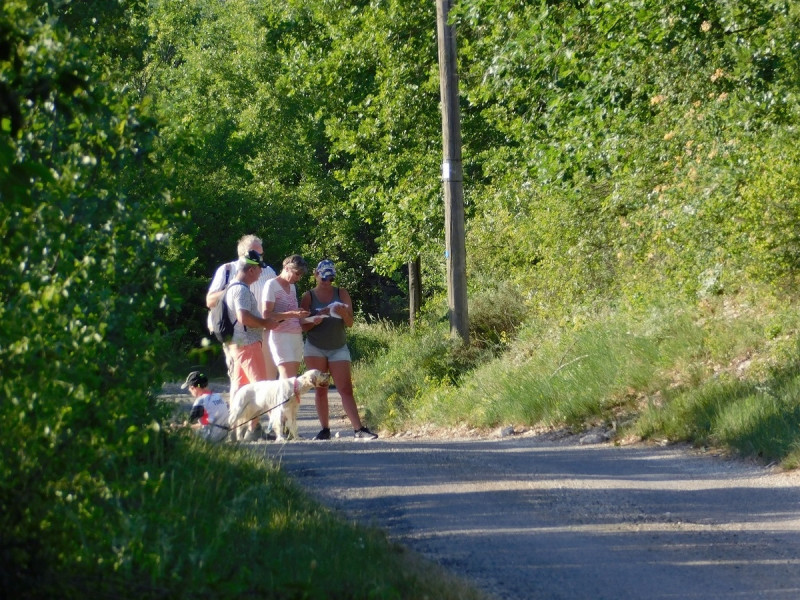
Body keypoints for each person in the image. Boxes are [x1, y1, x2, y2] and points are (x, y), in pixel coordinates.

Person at [300, 259, 378, 440]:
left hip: (338, 347)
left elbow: (349, 323)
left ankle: (359, 429)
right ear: (316, 275)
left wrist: (343, 313)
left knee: (345, 389)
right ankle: (324, 429)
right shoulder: (308, 296)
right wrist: (318, 316)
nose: (327, 281)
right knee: (321, 388)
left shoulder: (341, 293)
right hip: (315, 347)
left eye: (330, 278)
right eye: (324, 277)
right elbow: (303, 325)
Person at [206, 234, 278, 384]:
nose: (261, 257)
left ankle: (245, 408)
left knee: (262, 379)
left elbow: (277, 296)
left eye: (261, 253)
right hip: (238, 334)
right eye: (257, 254)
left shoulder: (268, 271)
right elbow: (210, 300)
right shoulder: (227, 270)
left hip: (262, 332)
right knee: (256, 384)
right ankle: (258, 408)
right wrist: (232, 290)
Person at [224, 250, 277, 440]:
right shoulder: (241, 289)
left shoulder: (234, 287)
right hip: (248, 344)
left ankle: (234, 430)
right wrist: (265, 323)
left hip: (239, 344)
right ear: (252, 269)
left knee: (241, 390)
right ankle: (253, 430)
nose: (261, 273)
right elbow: (243, 317)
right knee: (259, 388)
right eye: (259, 269)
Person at [262, 254, 312, 379]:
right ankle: (284, 399)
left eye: (301, 275)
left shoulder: (292, 287)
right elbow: (266, 315)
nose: (299, 278)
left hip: (296, 335)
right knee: (287, 381)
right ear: (287, 268)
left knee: (292, 380)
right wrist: (293, 314)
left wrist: (311, 319)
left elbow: (293, 313)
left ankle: (287, 399)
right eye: (297, 273)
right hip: (281, 336)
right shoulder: (271, 285)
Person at [180, 370, 230, 443]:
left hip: (211, 436)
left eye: (190, 388)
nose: (189, 390)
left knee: (183, 430)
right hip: (224, 434)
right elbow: (204, 424)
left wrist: (179, 426)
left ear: (194, 387)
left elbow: (189, 424)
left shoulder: (201, 401)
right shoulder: (218, 396)